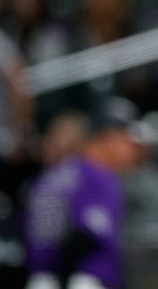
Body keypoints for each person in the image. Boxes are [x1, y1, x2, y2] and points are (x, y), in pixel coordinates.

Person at [23, 97, 146, 289]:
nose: (135, 151)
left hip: (41, 280)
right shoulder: (98, 179)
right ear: (110, 139)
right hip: (83, 281)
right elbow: (83, 239)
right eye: (129, 142)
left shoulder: (52, 176)